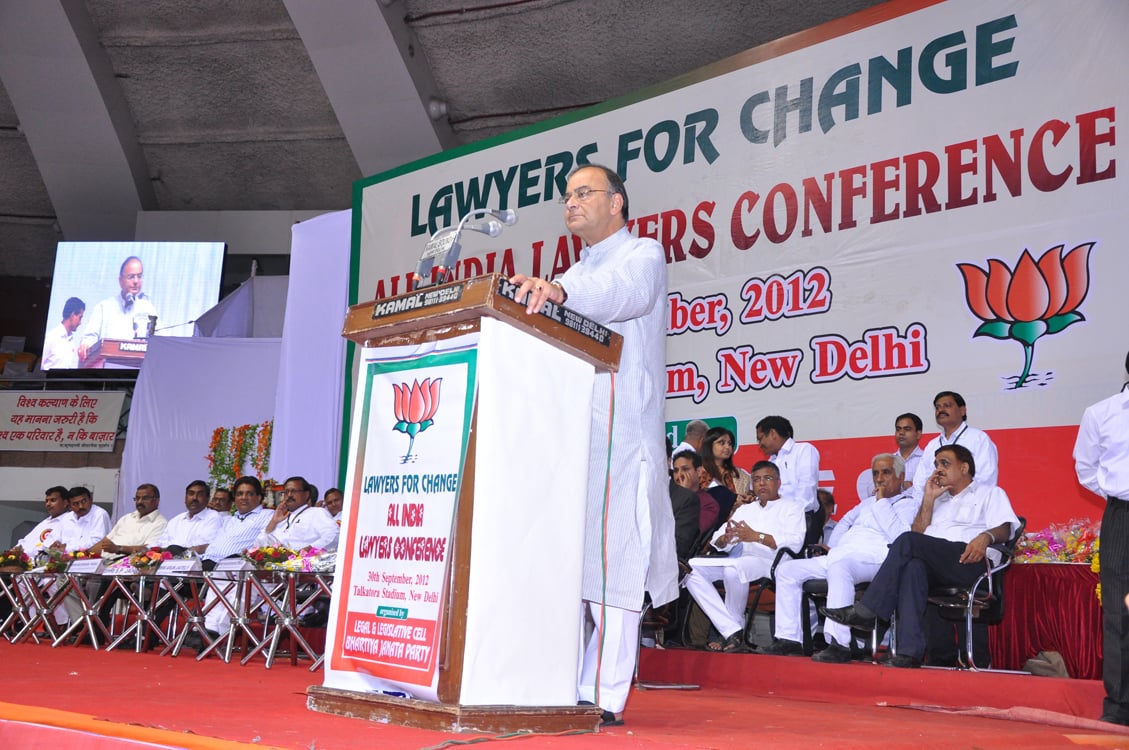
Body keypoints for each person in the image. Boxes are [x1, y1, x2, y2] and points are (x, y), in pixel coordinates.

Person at [509, 163, 676, 727]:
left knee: (615, 564)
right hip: (574, 437)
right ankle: (568, 682)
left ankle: (603, 694)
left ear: (617, 202)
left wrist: (557, 291)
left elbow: (620, 295)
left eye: (585, 193)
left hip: (623, 437)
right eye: (567, 196)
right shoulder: (574, 270)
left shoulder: (642, 254)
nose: (572, 203)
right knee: (574, 567)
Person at [823, 444, 1019, 668]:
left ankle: (870, 611)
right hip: (939, 565)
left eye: (945, 464)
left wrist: (985, 537)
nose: (938, 469)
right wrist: (928, 499)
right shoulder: (938, 500)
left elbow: (1005, 528)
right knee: (912, 568)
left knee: (906, 541)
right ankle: (910, 653)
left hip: (970, 561)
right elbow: (918, 534)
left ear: (964, 467)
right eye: (936, 465)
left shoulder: (989, 492)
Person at [767, 454, 917, 662]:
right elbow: (845, 523)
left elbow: (900, 536)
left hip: (877, 558)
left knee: (840, 567)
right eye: (875, 473)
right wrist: (834, 548)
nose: (879, 478)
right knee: (787, 571)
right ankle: (789, 640)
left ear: (901, 477)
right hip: (844, 554)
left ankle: (839, 644)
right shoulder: (866, 503)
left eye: (886, 472)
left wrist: (882, 502)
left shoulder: (908, 504)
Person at [683, 461, 806, 653]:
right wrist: (725, 539)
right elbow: (718, 541)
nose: (762, 483)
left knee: (734, 570)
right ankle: (732, 630)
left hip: (774, 563)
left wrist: (757, 536)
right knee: (690, 568)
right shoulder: (745, 510)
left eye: (767, 478)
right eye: (756, 480)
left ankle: (732, 632)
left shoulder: (792, 508)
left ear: (779, 482)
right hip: (745, 560)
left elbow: (795, 543)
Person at [1074, 352, 1129, 725]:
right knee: (1119, 612)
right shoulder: (1102, 413)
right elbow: (1086, 470)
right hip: (1123, 517)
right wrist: (1118, 492)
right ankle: (1121, 706)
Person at [910, 392, 998, 501]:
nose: (941, 410)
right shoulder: (932, 445)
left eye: (947, 406)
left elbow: (986, 479)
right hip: (937, 511)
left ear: (962, 411)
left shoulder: (978, 439)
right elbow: (919, 484)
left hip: (969, 508)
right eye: (937, 407)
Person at [78, 256, 158, 362]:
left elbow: (161, 339)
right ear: (120, 280)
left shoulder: (148, 308)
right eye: (131, 277)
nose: (136, 281)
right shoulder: (103, 308)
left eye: (139, 276)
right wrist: (85, 345)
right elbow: (89, 339)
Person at [256, 476, 339, 551]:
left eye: (294, 491)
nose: (289, 495)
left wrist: (307, 550)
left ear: (306, 494)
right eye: (286, 492)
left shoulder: (316, 513)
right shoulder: (282, 519)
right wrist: (273, 521)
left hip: (303, 565)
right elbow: (259, 543)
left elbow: (334, 536)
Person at [756, 416, 820, 512]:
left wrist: (788, 515)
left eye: (760, 439)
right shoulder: (770, 463)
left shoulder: (803, 450)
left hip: (800, 517)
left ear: (773, 433)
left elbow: (806, 493)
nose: (759, 444)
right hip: (774, 518)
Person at [856, 413, 924, 500]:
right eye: (898, 429)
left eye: (907, 429)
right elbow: (872, 490)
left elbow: (927, 489)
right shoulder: (888, 461)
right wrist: (902, 486)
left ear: (918, 434)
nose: (901, 433)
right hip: (889, 508)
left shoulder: (926, 459)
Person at [158, 480, 224, 555]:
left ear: (207, 499)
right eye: (191, 494)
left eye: (200, 495)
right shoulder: (176, 520)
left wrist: (180, 553)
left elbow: (207, 546)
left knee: (173, 548)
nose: (194, 498)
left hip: (198, 563)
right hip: (170, 561)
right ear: (185, 498)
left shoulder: (214, 518)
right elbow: (161, 544)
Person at [672, 449, 720, 536]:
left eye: (685, 469)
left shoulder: (709, 504)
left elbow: (689, 532)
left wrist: (684, 494)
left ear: (698, 471)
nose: (679, 474)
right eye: (676, 471)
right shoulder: (667, 495)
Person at [699, 426, 751, 502]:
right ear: (709, 445)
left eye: (730, 444)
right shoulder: (698, 473)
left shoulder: (740, 475)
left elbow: (748, 496)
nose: (727, 447)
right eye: (721, 443)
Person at [60, 486, 111, 551]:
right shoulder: (66, 517)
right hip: (66, 557)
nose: (81, 506)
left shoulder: (100, 514)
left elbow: (97, 541)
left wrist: (67, 548)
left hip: (93, 557)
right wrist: (55, 545)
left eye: (84, 501)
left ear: (91, 500)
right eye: (75, 504)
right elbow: (53, 538)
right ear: (70, 506)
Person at [41, 297, 85, 370]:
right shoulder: (52, 337)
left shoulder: (71, 340)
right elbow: (40, 365)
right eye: (80, 317)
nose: (80, 323)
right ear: (72, 314)